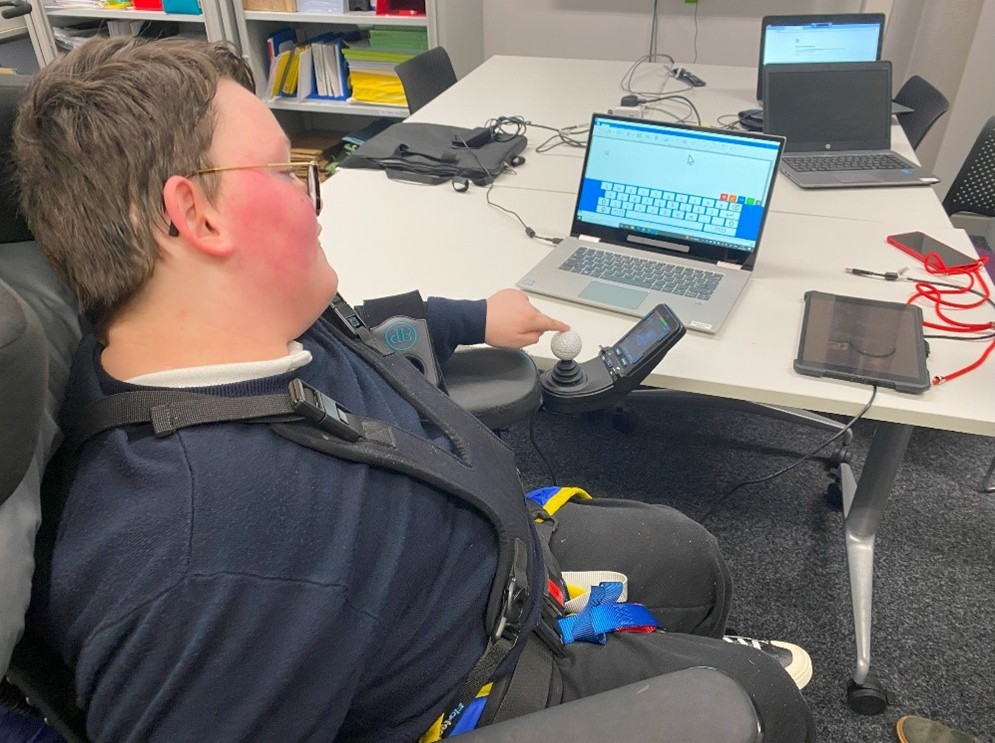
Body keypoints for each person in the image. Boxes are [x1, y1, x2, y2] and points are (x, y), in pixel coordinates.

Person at [14, 37, 816, 743]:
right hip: (475, 682)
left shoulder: (232, 318)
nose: (313, 197)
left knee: (688, 554)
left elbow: (359, 325)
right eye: (285, 172)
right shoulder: (201, 562)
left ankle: (683, 653)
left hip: (474, 555)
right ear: (193, 213)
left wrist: (472, 317)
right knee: (759, 702)